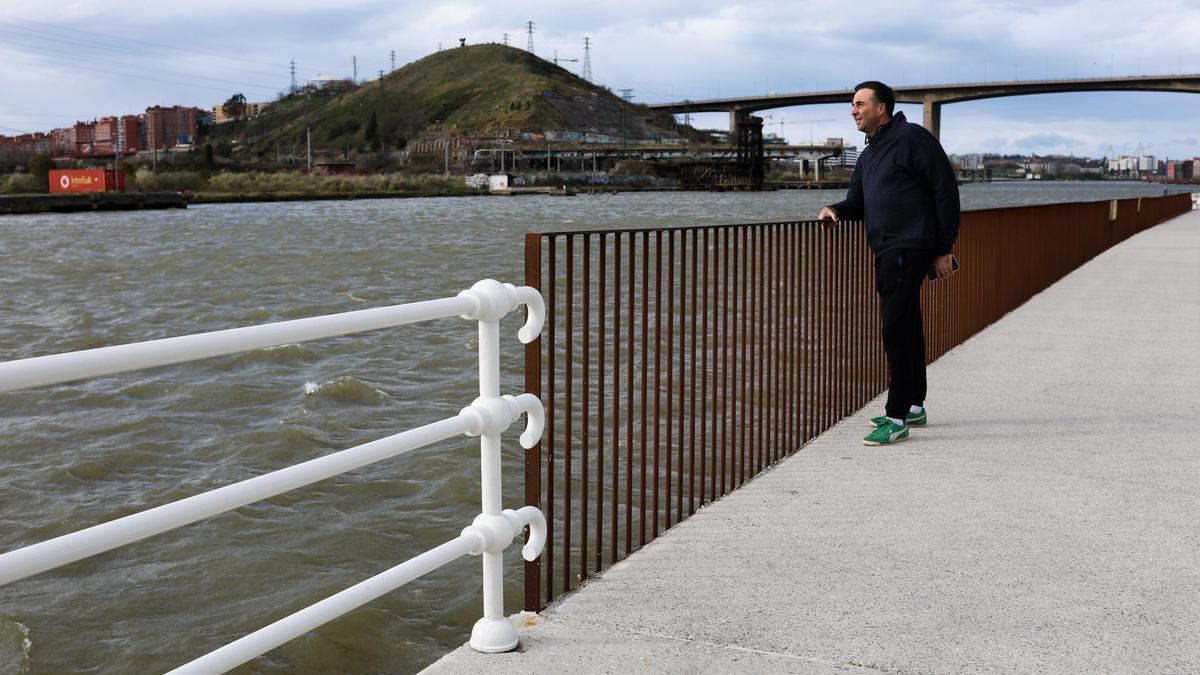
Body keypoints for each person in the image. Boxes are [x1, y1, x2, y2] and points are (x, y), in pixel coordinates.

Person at [817, 81, 960, 446]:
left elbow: (945, 190)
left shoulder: (913, 138)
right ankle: (913, 406)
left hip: (910, 246)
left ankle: (895, 418)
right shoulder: (868, 155)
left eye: (859, 104)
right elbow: (857, 202)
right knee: (907, 325)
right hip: (885, 250)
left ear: (881, 108)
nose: (853, 110)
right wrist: (835, 209)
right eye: (852, 105)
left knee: (894, 328)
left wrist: (944, 249)